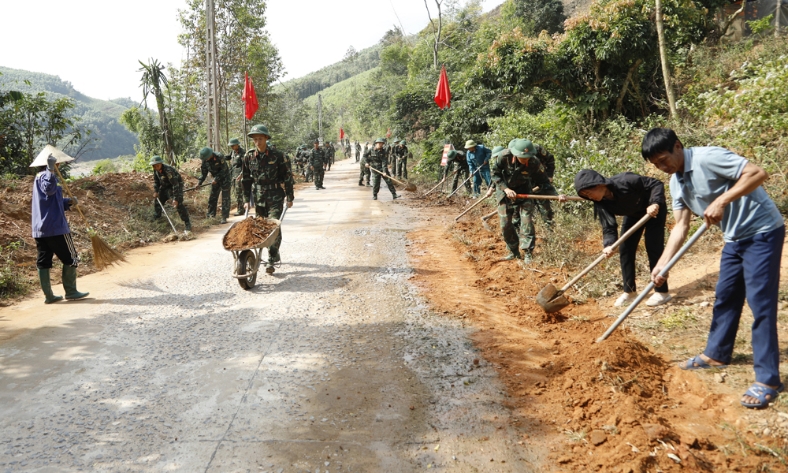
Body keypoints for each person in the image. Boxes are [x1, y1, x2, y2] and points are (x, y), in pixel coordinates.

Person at [642, 127, 785, 409]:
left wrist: (722, 199)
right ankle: (717, 354)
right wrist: (663, 264)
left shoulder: (709, 158)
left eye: (663, 159)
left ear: (678, 147)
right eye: (656, 165)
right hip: (733, 238)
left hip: (762, 232)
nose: (662, 167)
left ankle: (768, 379)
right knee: (726, 295)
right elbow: (681, 226)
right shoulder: (676, 182)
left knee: (761, 304)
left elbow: (757, 173)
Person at [573, 169, 670, 307]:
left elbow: (656, 184)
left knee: (653, 246)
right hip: (633, 214)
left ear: (599, 185)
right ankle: (630, 292)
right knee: (625, 248)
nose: (590, 197)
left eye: (589, 193)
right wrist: (609, 245)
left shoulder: (626, 180)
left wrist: (654, 202)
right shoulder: (601, 203)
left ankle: (662, 292)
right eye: (586, 196)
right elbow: (609, 227)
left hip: (653, 211)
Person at [30, 153, 88, 304]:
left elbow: (50, 202)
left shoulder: (38, 178)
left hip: (41, 229)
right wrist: (51, 170)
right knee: (72, 257)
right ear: (52, 164)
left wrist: (68, 202)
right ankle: (71, 291)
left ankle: (49, 296)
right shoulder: (46, 176)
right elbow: (49, 189)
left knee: (43, 261)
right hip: (55, 227)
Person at [491, 140, 557, 264]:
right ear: (515, 154)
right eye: (522, 157)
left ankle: (528, 253)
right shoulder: (503, 157)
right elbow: (495, 175)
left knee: (527, 222)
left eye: (527, 157)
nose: (525, 160)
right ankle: (513, 252)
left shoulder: (534, 162)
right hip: (504, 193)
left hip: (524, 192)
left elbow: (544, 182)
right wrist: (506, 189)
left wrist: (557, 196)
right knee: (505, 225)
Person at [243, 124, 295, 274]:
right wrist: (246, 200)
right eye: (255, 139)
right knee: (261, 227)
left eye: (260, 138)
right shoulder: (249, 156)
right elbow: (246, 180)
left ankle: (271, 258)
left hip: (275, 196)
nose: (257, 142)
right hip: (258, 197)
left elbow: (287, 177)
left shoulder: (278, 156)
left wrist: (290, 197)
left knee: (273, 226)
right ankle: (266, 253)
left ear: (266, 138)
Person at [151, 156, 192, 231]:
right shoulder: (156, 170)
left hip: (175, 186)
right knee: (158, 201)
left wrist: (175, 199)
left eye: (157, 165)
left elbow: (175, 185)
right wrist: (156, 191)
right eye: (154, 166)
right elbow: (156, 182)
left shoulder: (168, 171)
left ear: (161, 164)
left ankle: (187, 223)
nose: (156, 167)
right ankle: (157, 219)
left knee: (178, 203)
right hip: (165, 186)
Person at [198, 146, 231, 223]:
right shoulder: (205, 160)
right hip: (215, 180)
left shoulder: (219, 156)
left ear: (210, 155)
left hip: (225, 178)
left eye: (207, 158)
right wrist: (199, 183)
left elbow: (224, 169)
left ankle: (224, 217)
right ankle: (211, 216)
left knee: (225, 198)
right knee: (212, 197)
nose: (206, 160)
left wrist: (216, 179)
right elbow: (203, 173)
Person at [530, 143, 557, 226]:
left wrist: (549, 175)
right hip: (528, 182)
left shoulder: (538, 148)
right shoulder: (515, 157)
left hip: (542, 180)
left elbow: (550, 159)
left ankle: (549, 227)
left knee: (545, 206)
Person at [227, 138, 247, 216]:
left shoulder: (242, 153)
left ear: (237, 145)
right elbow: (227, 157)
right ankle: (241, 208)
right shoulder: (232, 152)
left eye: (233, 145)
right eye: (231, 145)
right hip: (233, 175)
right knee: (236, 193)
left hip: (240, 176)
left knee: (239, 193)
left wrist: (242, 174)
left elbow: (245, 165)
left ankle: (241, 209)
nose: (231, 147)